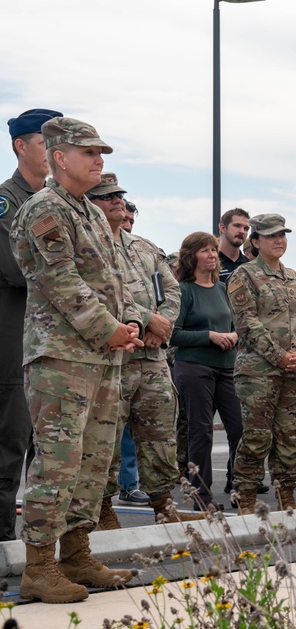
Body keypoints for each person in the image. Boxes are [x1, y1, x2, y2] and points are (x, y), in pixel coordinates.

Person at [10, 117, 142, 603]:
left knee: (93, 461)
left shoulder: (87, 210)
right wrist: (108, 328)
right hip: (61, 357)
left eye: (101, 153)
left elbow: (113, 280)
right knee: (58, 464)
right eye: (89, 153)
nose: (99, 161)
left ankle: (76, 553)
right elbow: (60, 281)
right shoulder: (45, 209)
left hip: (102, 356)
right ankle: (39, 567)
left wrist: (128, 325)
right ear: (60, 157)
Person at [87, 173, 202, 527]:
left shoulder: (145, 248)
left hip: (151, 358)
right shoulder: (89, 246)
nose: (117, 201)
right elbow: (98, 297)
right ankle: (104, 510)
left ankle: (164, 506)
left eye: (119, 194)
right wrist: (148, 319)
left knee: (160, 436)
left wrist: (161, 327)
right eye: (107, 196)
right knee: (104, 437)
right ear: (90, 203)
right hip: (112, 359)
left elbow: (173, 292)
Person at [0, 107, 61, 542]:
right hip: (15, 347)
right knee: (9, 455)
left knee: (53, 459)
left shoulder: (58, 203)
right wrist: (73, 280)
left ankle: (40, 553)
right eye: (45, 142)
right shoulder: (8, 200)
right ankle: (2, 546)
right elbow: (15, 268)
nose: (54, 151)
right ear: (21, 146)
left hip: (52, 347)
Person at [228, 214, 296, 513]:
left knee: (289, 438)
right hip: (259, 372)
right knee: (256, 438)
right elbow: (247, 323)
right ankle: (246, 497)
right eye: (271, 236)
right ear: (255, 242)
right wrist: (279, 356)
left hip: (295, 371)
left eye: (282, 235)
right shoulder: (244, 276)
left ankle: (286, 496)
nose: (279, 240)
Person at [171, 232, 246, 509]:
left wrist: (234, 335)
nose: (212, 255)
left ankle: (238, 485)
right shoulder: (182, 290)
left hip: (227, 367)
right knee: (200, 431)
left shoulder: (222, 289)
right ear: (192, 256)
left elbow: (234, 325)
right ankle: (200, 496)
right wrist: (210, 336)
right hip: (194, 368)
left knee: (239, 428)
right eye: (205, 250)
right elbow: (173, 334)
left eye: (214, 250)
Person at [112, 197, 149, 507]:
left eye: (131, 222)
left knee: (134, 430)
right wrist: (144, 320)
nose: (127, 225)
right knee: (115, 427)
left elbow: (163, 291)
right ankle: (115, 489)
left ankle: (131, 483)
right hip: (114, 351)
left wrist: (152, 325)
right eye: (124, 219)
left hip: (143, 351)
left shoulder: (143, 253)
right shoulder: (102, 248)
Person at [217, 207, 250, 284]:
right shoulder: (210, 262)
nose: (242, 231)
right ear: (223, 228)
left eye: (246, 228)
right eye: (237, 226)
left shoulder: (249, 265)